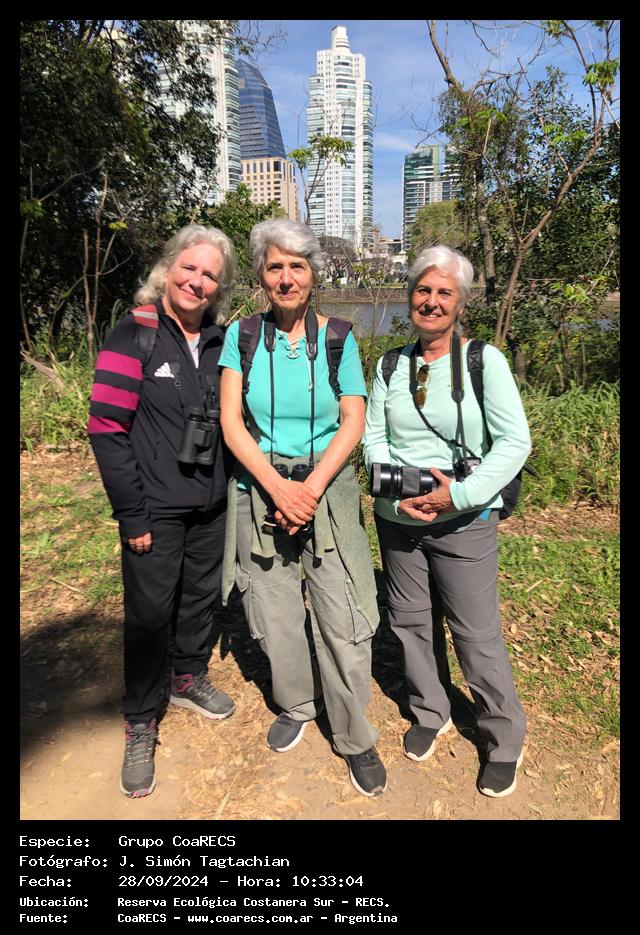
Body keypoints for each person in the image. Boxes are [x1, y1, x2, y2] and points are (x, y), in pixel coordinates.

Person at [218, 218, 386, 798]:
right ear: (261, 276)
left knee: (341, 613)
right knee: (274, 609)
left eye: (297, 266)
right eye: (275, 267)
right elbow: (231, 422)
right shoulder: (242, 336)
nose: (286, 278)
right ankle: (296, 703)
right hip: (260, 489)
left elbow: (353, 420)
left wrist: (308, 489)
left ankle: (354, 734)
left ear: (313, 274)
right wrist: (277, 487)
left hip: (326, 489)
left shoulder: (339, 337)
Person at [363, 245, 531, 798]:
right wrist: (398, 496)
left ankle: (503, 738)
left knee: (475, 634)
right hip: (399, 518)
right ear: (409, 295)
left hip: (464, 519)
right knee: (410, 622)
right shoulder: (391, 365)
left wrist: (456, 495)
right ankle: (429, 710)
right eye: (423, 290)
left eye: (444, 293)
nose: (431, 302)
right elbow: (375, 438)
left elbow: (514, 443)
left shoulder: (484, 361)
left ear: (460, 304)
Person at [88, 224, 237, 798]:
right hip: (155, 507)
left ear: (220, 288)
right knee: (150, 615)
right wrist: (132, 513)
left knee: (200, 598)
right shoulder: (135, 334)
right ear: (168, 268)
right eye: (189, 268)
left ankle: (187, 676)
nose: (197, 282)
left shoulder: (222, 341)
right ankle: (140, 720)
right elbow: (107, 428)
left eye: (210, 275)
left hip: (211, 504)